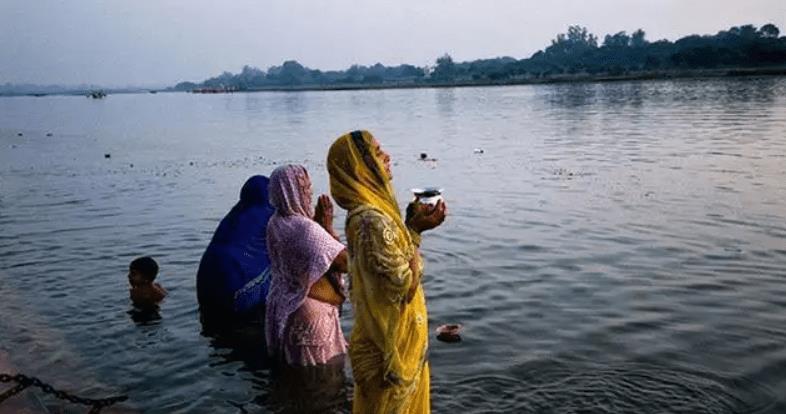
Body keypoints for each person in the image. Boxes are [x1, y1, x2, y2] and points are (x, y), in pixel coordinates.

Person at [327, 130, 447, 413]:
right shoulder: (371, 221)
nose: (388, 157)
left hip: (385, 343)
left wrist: (409, 227)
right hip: (388, 353)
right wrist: (415, 230)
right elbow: (403, 283)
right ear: (361, 166)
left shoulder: (369, 214)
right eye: (379, 152)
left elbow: (388, 262)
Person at [265, 164, 349, 366]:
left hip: (284, 306)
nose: (309, 192)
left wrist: (318, 224)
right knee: (323, 379)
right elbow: (345, 262)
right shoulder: (305, 229)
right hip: (310, 315)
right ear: (291, 192)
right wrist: (327, 226)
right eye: (304, 188)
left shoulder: (275, 223)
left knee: (296, 376)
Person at [196, 175, 275, 322]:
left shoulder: (233, 216)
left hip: (204, 289)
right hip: (237, 294)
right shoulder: (269, 214)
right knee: (285, 263)